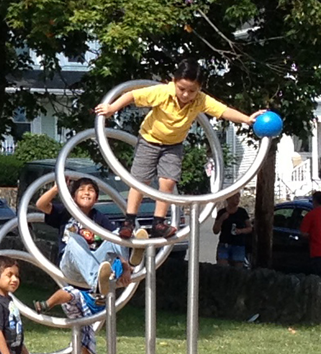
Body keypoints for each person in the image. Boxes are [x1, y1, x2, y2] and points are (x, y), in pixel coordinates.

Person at [95, 58, 265, 239]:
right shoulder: (162, 92)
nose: (185, 95)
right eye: (181, 89)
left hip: (173, 145)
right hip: (149, 140)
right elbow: (133, 95)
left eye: (191, 91)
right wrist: (112, 108)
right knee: (140, 181)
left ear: (199, 89)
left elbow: (223, 111)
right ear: (174, 82)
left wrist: (247, 119)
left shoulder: (200, 100)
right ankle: (129, 221)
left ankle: (158, 222)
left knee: (168, 182)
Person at [32, 177, 146, 354]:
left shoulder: (99, 218)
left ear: (96, 197)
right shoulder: (65, 213)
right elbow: (40, 206)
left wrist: (125, 267)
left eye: (91, 190)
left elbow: (113, 241)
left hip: (95, 267)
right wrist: (58, 186)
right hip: (72, 268)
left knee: (117, 235)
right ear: (73, 196)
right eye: (82, 190)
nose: (87, 193)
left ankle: (132, 254)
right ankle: (97, 282)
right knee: (74, 241)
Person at [213, 193, 252, 268]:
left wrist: (240, 231)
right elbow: (215, 230)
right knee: (222, 268)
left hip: (238, 245)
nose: (237, 199)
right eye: (235, 197)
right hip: (224, 244)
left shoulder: (242, 212)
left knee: (237, 270)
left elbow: (249, 228)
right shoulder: (222, 212)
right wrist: (221, 219)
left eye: (238, 197)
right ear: (228, 199)